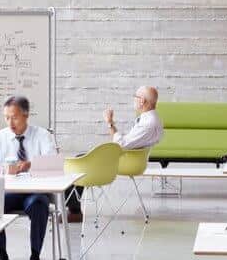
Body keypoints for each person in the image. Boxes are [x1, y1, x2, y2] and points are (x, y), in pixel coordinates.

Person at [0, 95, 57, 260]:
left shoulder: (42, 135)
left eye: (14, 117)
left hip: (34, 191)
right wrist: (4, 169)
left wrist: (31, 165)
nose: (10, 122)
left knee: (39, 204)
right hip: (9, 192)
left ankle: (35, 258)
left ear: (26, 115)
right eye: (6, 117)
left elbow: (53, 163)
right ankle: (1, 258)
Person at [65, 85, 165, 221]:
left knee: (80, 161)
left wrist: (110, 123)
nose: (134, 100)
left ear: (142, 101)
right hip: (131, 158)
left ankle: (71, 208)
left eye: (135, 97)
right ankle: (72, 208)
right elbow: (127, 143)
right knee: (82, 157)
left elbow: (121, 144)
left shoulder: (148, 123)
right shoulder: (151, 119)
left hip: (127, 162)